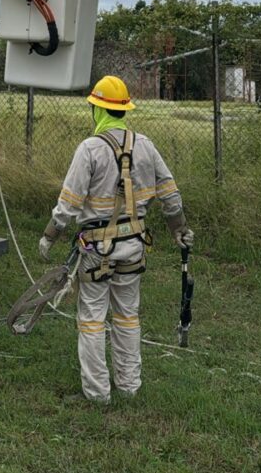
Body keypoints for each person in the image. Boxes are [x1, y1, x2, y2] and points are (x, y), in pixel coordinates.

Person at [38, 75, 193, 405]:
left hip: (96, 251)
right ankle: (129, 387)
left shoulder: (90, 150)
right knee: (127, 316)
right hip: (134, 245)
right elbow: (170, 194)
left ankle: (96, 395)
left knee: (93, 319)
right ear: (123, 110)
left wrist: (49, 236)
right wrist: (178, 228)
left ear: (96, 109)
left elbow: (67, 205)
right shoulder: (146, 145)